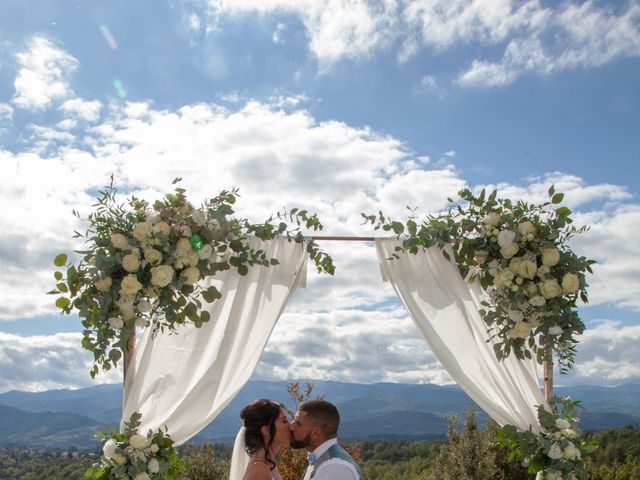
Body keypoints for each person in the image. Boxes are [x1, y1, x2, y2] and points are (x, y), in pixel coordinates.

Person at [289, 399, 363, 480]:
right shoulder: (323, 461)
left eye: (298, 423)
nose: (291, 426)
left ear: (315, 432)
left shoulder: (334, 468)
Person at [229, 399, 291, 480]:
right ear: (266, 431)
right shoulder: (259, 471)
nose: (290, 425)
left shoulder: (267, 465)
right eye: (284, 421)